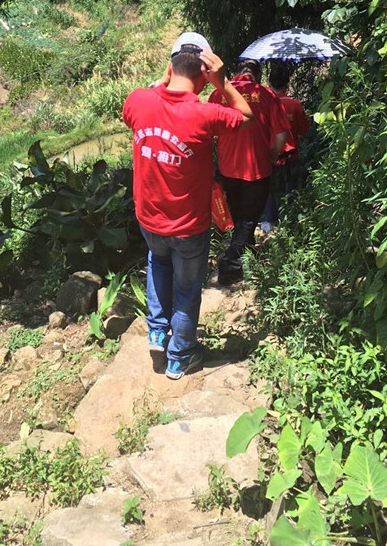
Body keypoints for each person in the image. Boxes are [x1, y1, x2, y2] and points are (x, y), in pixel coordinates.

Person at [122, 32, 253, 380]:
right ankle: (179, 357)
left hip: (149, 220)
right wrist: (223, 82)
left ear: (170, 66)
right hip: (189, 227)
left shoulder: (137, 100)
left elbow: (145, 101)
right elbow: (245, 115)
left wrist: (164, 79)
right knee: (187, 289)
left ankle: (156, 330)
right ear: (205, 74)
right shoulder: (205, 114)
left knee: (158, 261)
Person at [209, 59, 288, 284]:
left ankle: (248, 254)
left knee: (240, 216)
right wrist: (273, 155)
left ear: (236, 72)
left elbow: (208, 132)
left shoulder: (218, 94)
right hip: (257, 168)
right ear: (258, 76)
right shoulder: (267, 95)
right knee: (249, 219)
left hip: (227, 168)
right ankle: (229, 263)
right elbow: (281, 136)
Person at [262, 62, 310, 229]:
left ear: (269, 83)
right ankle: (291, 222)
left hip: (270, 155)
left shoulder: (264, 105)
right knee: (291, 188)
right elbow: (304, 129)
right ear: (287, 83)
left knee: (268, 189)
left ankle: (271, 222)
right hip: (291, 155)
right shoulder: (294, 104)